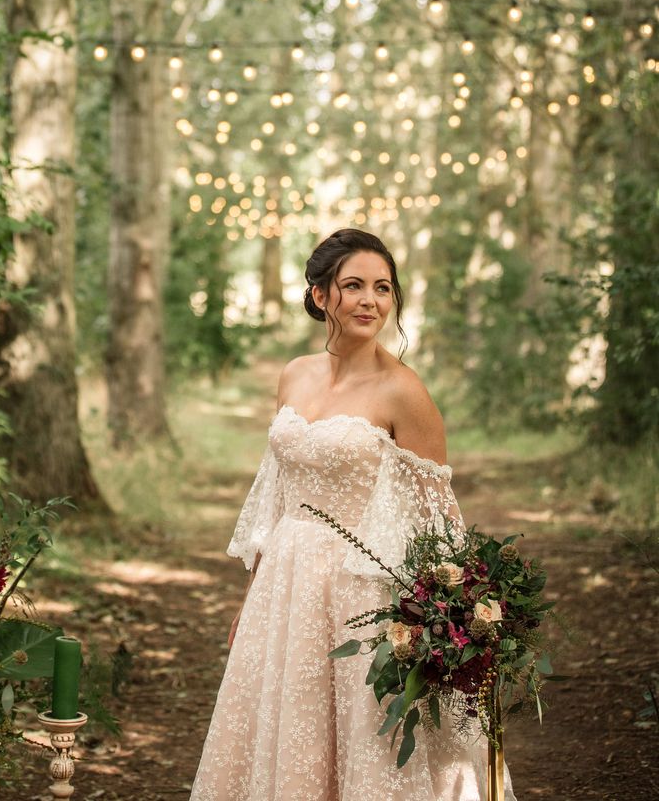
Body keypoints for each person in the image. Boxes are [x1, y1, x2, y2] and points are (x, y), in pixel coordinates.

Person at [189, 228, 515, 801]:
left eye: (383, 288)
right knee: (287, 728)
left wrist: (443, 625)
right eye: (354, 286)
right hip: (285, 586)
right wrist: (252, 592)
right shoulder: (294, 374)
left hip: (362, 589)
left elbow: (438, 521)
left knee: (365, 735)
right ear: (321, 296)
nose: (370, 301)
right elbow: (279, 491)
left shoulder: (404, 392)